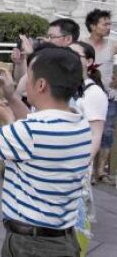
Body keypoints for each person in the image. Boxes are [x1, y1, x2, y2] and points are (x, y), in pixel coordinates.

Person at [0, 46, 91, 256]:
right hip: (62, 238)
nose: (24, 83)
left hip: (32, 245)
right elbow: (32, 128)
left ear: (41, 85)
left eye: (28, 78)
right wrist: (12, 97)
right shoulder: (79, 122)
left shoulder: (31, 132)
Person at [69, 41, 108, 252]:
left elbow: (96, 134)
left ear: (89, 61)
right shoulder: (66, 85)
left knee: (76, 221)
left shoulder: (93, 93)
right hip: (62, 161)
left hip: (77, 164)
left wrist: (82, 165)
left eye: (77, 55)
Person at [82, 9, 115, 184]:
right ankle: (86, 170)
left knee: (106, 132)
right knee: (85, 131)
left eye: (109, 24)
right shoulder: (81, 45)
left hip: (108, 96)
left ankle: (101, 171)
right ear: (93, 26)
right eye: (105, 24)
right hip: (84, 94)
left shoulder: (113, 45)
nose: (108, 27)